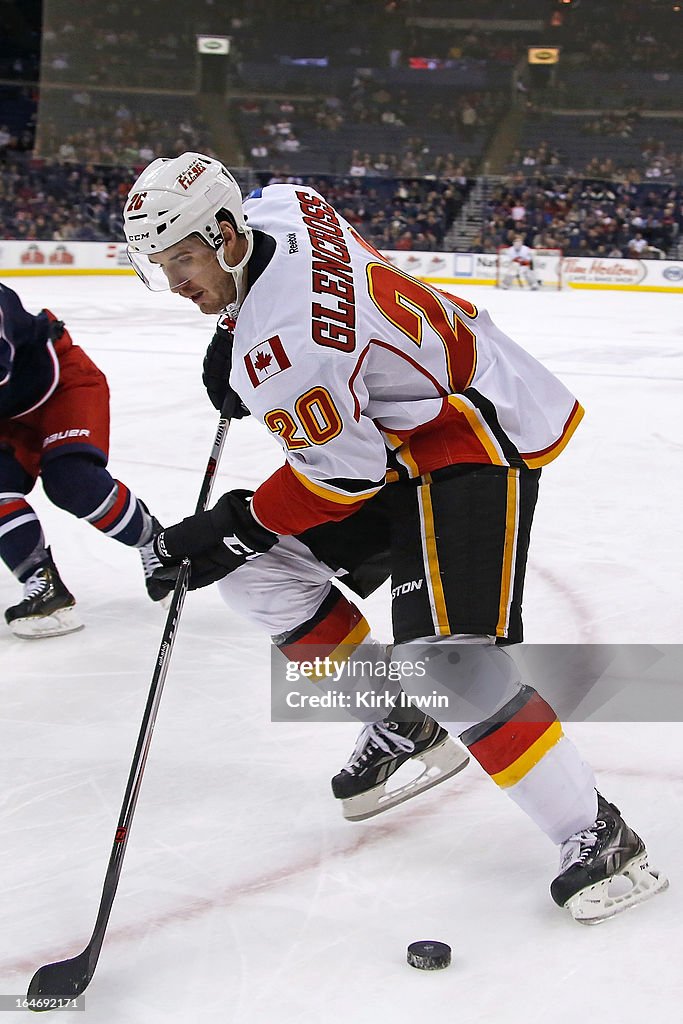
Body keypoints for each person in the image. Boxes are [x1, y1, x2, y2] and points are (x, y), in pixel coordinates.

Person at [122, 152, 667, 923]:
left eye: (183, 258)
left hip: (470, 430)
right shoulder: (281, 206)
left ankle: (599, 836)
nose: (176, 281)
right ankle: (401, 720)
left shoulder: (285, 355)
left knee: (447, 663)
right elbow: (305, 275)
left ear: (223, 233)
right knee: (254, 577)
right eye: (160, 263)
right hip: (403, 422)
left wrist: (234, 523)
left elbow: (340, 478)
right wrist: (233, 323)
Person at [0, 283, 166, 638]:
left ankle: (154, 541)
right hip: (9, 410)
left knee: (70, 481)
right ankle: (44, 587)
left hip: (60, 383)